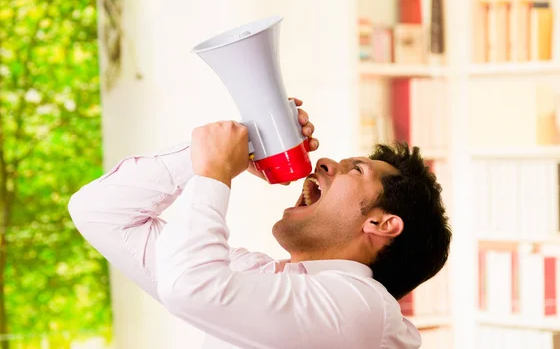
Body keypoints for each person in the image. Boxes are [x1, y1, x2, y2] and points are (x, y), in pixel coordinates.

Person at [68, 98, 452, 349]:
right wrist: (235, 148)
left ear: (382, 224)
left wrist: (216, 173)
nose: (324, 163)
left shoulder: (364, 307)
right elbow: (99, 210)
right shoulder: (258, 276)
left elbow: (192, 288)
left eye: (355, 170)